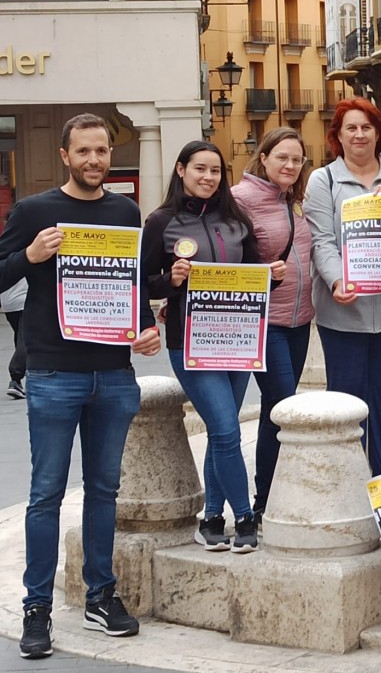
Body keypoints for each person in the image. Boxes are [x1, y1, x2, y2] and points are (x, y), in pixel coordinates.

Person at [0, 114, 161, 659]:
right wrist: (30, 257)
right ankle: (37, 607)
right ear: (65, 156)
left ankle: (100, 596)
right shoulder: (34, 212)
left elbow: (131, 283)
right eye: (84, 151)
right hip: (52, 373)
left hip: (114, 374)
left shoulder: (124, 211)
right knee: (45, 494)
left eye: (102, 151)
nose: (95, 160)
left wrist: (146, 327)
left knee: (104, 491)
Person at [142, 140, 285, 554]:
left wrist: (270, 275)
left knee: (223, 434)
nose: (208, 177)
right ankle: (244, 519)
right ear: (181, 169)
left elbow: (253, 269)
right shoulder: (160, 222)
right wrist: (169, 280)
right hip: (190, 341)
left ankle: (211, 519)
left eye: (216, 171)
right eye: (200, 169)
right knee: (224, 430)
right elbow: (143, 280)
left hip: (240, 338)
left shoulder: (235, 218)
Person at [305, 98, 381, 477]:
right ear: (337, 136)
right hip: (342, 314)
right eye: (350, 128)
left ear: (379, 134)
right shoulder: (322, 180)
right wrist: (336, 279)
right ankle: (352, 485)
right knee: (347, 403)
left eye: (366, 127)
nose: (359, 135)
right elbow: (321, 240)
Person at [230, 127, 314, 520]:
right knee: (283, 405)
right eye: (282, 157)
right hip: (264, 321)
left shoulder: (293, 200)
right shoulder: (238, 199)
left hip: (299, 319)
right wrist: (261, 272)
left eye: (297, 159)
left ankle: (268, 495)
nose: (290, 165)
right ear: (263, 157)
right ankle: (269, 499)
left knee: (274, 409)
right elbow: (225, 259)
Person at [1, 277, 26, 398]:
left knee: (20, 336)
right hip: (24, 301)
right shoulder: (24, 258)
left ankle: (19, 381)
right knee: (26, 339)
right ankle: (15, 378)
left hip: (8, 304)